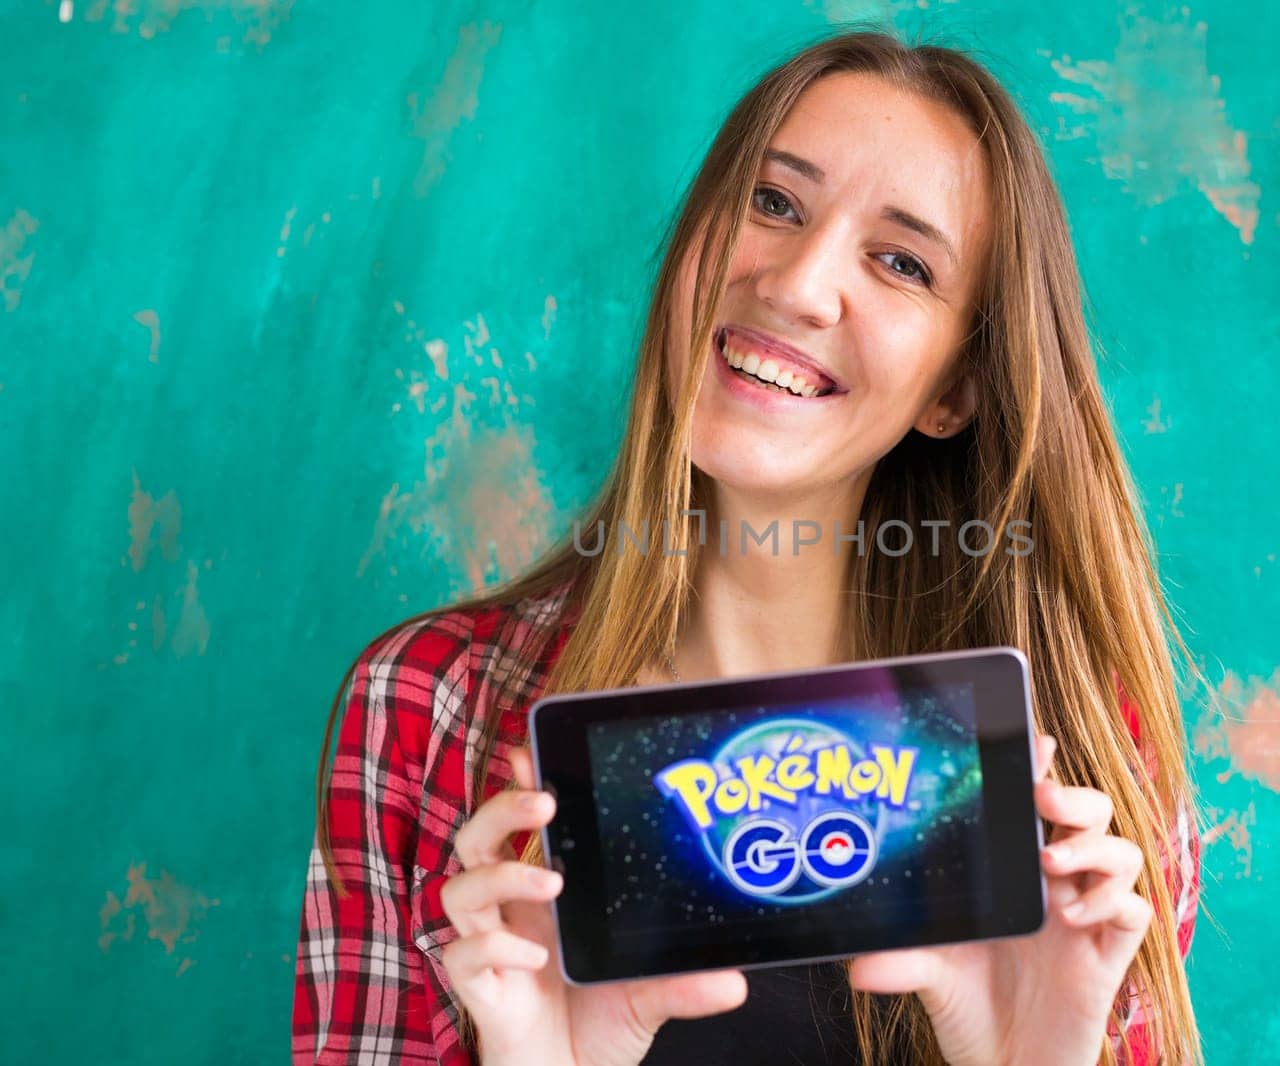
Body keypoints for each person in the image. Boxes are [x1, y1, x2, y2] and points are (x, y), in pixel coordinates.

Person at [294, 28, 1205, 1066]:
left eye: (900, 261)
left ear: (955, 389)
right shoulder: (430, 708)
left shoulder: (1089, 767)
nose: (798, 284)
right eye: (773, 203)